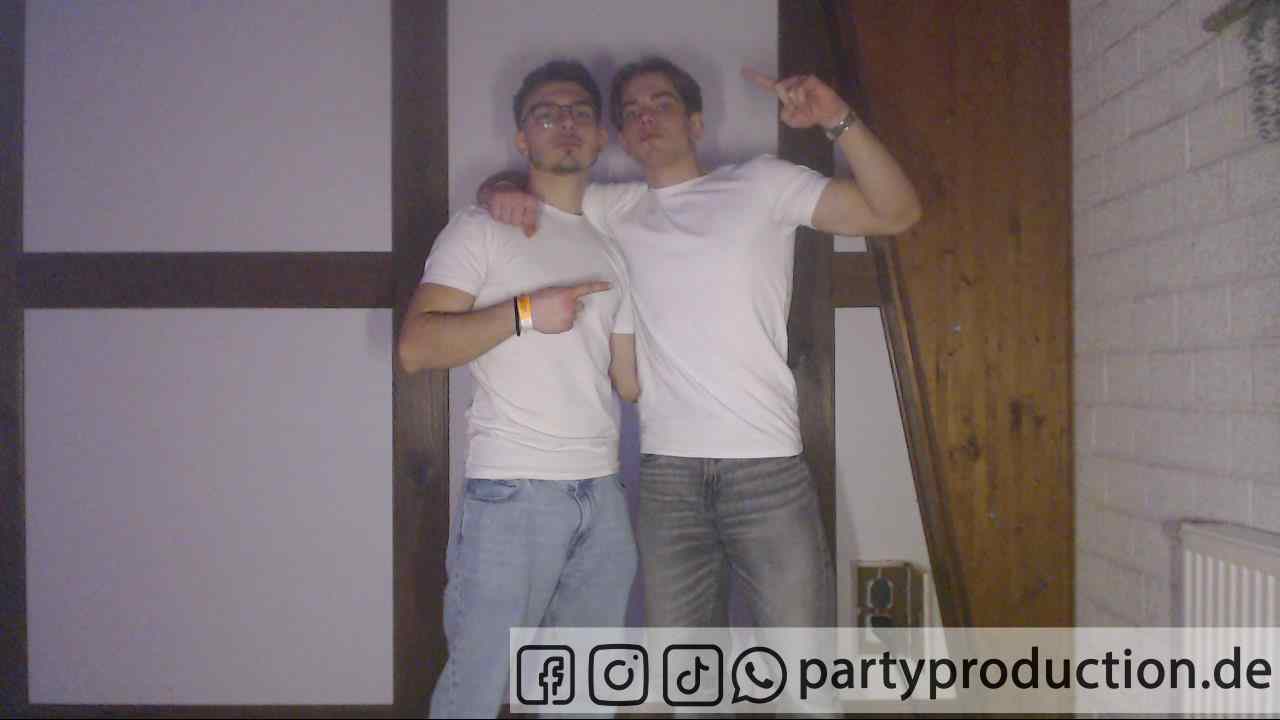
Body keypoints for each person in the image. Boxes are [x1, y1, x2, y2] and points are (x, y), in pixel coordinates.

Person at [482, 56, 922, 631]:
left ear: (695, 123)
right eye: (632, 111)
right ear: (621, 137)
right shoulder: (613, 208)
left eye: (661, 103)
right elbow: (535, 187)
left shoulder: (762, 184)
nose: (646, 116)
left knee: (800, 671)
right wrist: (497, 188)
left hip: (766, 470)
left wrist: (838, 118)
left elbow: (897, 212)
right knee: (686, 676)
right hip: (669, 481)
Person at [399, 59, 640, 718]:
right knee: (477, 688)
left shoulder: (611, 248)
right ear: (522, 139)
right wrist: (526, 312)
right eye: (546, 114)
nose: (565, 123)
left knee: (586, 693)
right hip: (512, 493)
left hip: (603, 495)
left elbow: (628, 381)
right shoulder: (480, 228)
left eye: (580, 113)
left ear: (601, 137)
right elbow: (416, 347)